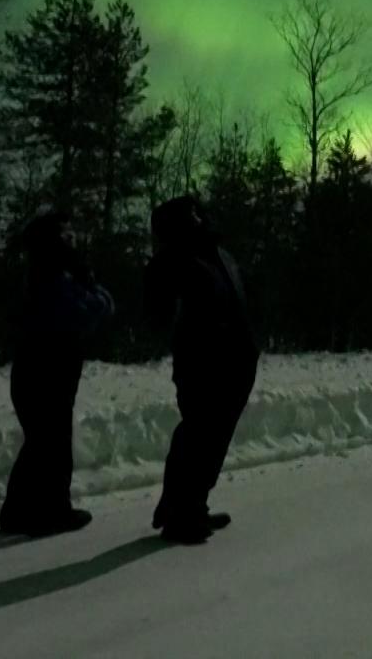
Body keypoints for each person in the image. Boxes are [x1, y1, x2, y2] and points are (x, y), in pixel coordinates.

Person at [145, 195, 259, 544]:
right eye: (188, 214)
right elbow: (158, 311)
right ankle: (179, 513)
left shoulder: (218, 253)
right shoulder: (175, 259)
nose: (196, 217)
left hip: (238, 361)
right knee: (197, 436)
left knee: (214, 439)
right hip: (202, 364)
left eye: (197, 211)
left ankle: (193, 504)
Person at [0, 212, 113, 537]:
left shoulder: (45, 277)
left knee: (41, 443)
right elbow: (92, 310)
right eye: (66, 236)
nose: (72, 242)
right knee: (51, 443)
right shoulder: (51, 281)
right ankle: (52, 511)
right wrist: (90, 285)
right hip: (47, 372)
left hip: (39, 371)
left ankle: (18, 511)